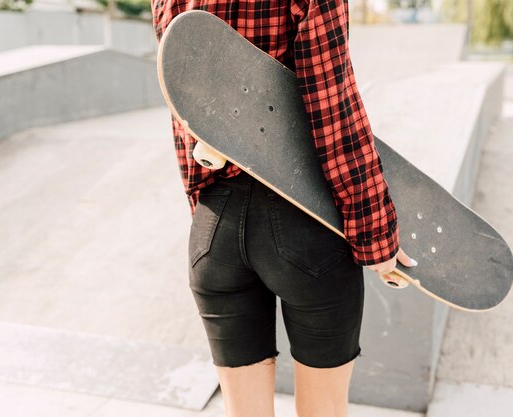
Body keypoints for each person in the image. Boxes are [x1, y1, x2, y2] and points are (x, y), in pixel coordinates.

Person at [150, 0, 415, 416]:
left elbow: (181, 96)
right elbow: (333, 103)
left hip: (215, 228)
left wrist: (202, 206)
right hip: (306, 229)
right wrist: (377, 236)